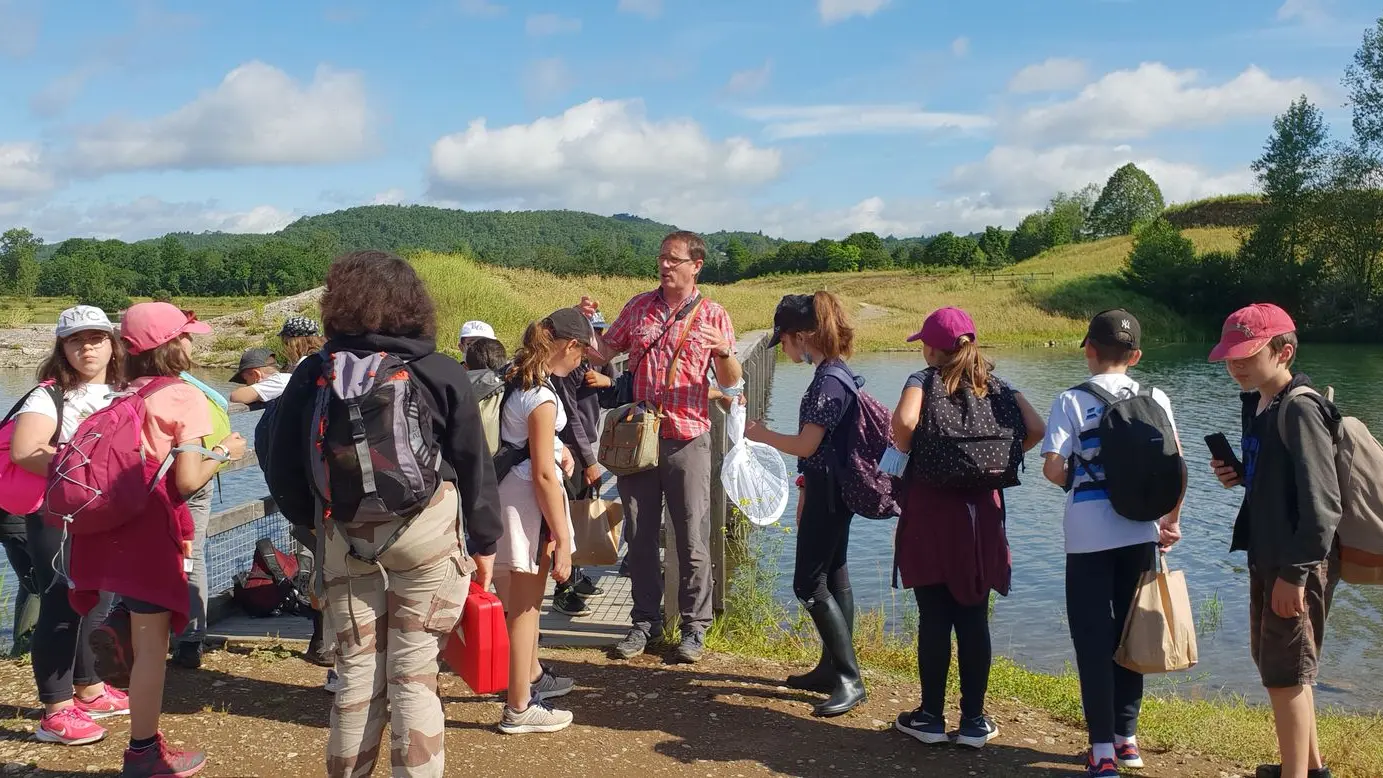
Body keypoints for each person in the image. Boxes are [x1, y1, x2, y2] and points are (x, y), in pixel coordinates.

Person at [265, 251, 502, 778]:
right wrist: (485, 544)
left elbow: (281, 463)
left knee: (355, 673)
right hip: (426, 537)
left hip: (344, 538)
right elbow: (475, 466)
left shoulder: (313, 373)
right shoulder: (438, 370)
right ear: (412, 304)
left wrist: (315, 530)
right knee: (414, 675)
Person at [77, 302, 248, 776]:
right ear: (171, 344)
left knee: (136, 623)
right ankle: (143, 752)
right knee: (152, 649)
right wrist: (225, 451)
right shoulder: (181, 397)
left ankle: (115, 619)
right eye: (187, 335)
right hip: (154, 531)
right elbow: (189, 481)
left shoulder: (121, 391)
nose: (193, 343)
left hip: (114, 529)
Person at [579, 230, 743, 663]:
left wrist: (724, 351)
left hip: (688, 435)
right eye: (662, 258)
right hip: (639, 435)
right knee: (640, 531)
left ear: (696, 265)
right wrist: (583, 324)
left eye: (674, 259)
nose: (665, 265)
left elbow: (730, 381)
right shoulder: (638, 306)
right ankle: (644, 623)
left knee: (691, 536)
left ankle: (694, 627)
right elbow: (602, 353)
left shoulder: (713, 313)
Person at [887, 307, 1044, 748]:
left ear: (934, 348)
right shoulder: (998, 386)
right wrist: (1002, 459)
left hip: (931, 510)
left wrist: (902, 451)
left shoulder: (922, 380)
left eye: (924, 342)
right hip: (984, 512)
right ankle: (974, 721)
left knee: (934, 616)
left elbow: (905, 422)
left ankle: (931, 718)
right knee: (974, 617)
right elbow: (1037, 427)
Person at [1040, 309, 1185, 778]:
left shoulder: (1070, 399)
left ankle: (1100, 748)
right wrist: (1169, 522)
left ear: (1089, 349)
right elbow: (1177, 468)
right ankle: (1128, 740)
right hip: (1141, 530)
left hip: (1087, 535)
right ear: (1137, 355)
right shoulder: (1156, 396)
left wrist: (1078, 479)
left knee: (1093, 640)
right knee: (1132, 635)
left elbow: (1052, 468)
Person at [1209, 304, 1340, 778]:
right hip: (1268, 556)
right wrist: (1242, 477)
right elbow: (1281, 483)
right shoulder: (1260, 403)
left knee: (1286, 675)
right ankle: (1309, 767)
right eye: (1229, 356)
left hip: (1294, 564)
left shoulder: (1300, 408)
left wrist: (1295, 575)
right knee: (1282, 669)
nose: (1236, 364)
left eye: (1247, 354)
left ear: (1284, 352)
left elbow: (1323, 505)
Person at [7, 305, 129, 745]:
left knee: (98, 599)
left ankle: (90, 689)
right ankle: (55, 710)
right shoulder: (50, 395)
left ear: (112, 344)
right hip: (55, 513)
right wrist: (88, 473)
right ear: (62, 348)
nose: (88, 347)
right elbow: (25, 450)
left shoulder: (124, 390)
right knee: (61, 603)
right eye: (76, 340)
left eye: (96, 337)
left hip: (104, 514)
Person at [744, 292, 867, 717]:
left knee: (807, 583)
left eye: (786, 340)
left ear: (803, 335)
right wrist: (803, 486)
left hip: (830, 492)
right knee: (834, 576)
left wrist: (760, 434)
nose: (785, 349)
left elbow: (806, 443)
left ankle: (850, 679)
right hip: (831, 488)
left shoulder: (829, 381)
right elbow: (819, 449)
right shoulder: (835, 372)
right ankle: (831, 669)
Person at [491, 308, 593, 733]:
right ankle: (519, 708)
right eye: (583, 352)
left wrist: (557, 446)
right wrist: (565, 538)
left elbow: (528, 446)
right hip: (526, 509)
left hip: (498, 500)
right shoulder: (543, 396)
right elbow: (544, 475)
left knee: (511, 604)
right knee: (527, 607)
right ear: (569, 345)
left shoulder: (515, 377)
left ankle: (525, 681)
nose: (583, 363)